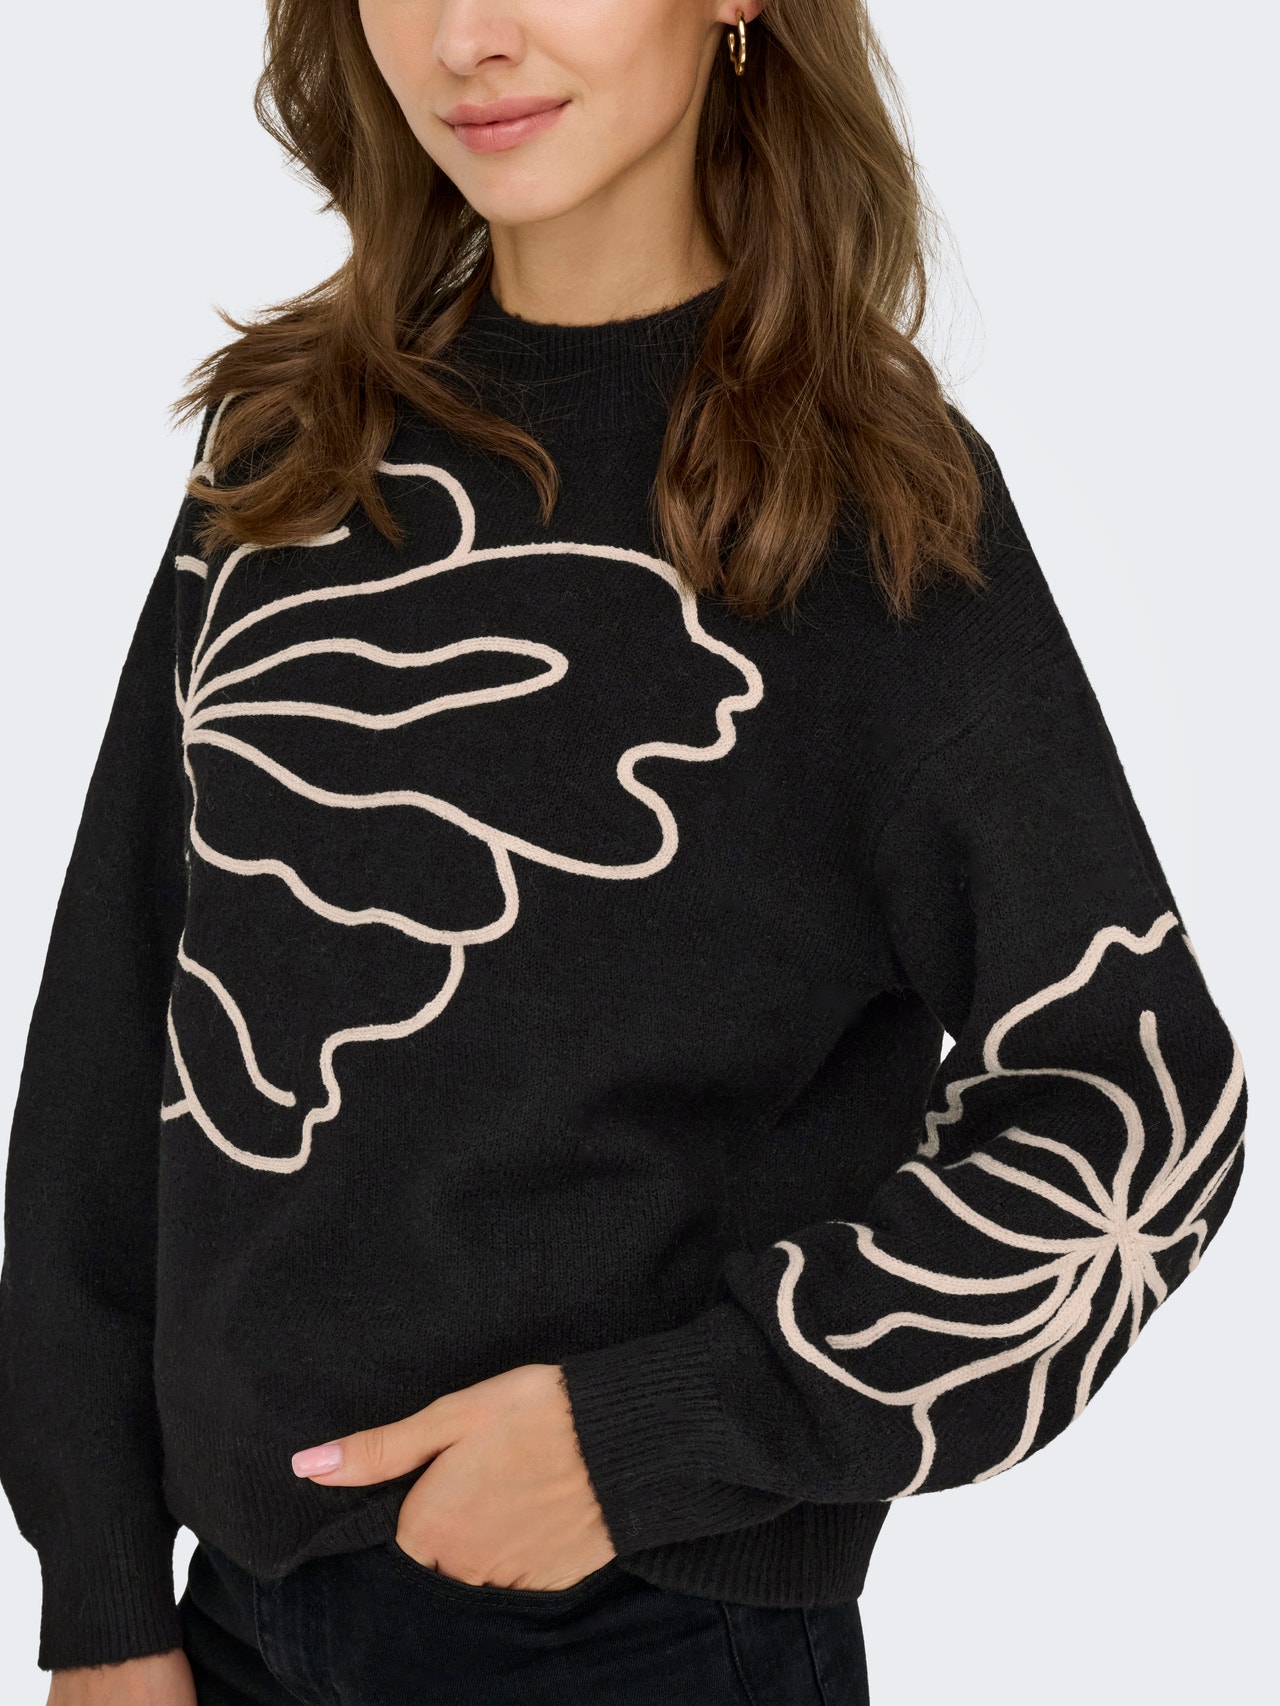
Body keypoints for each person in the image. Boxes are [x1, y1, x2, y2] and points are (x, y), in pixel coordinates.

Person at [0, 1, 1247, 1702]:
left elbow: (1143, 1106)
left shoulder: (857, 510)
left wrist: (648, 1435)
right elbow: (116, 1021)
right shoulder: (291, 455)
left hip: (637, 1634)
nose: (466, 37)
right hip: (230, 1630)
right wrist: (98, 1594)